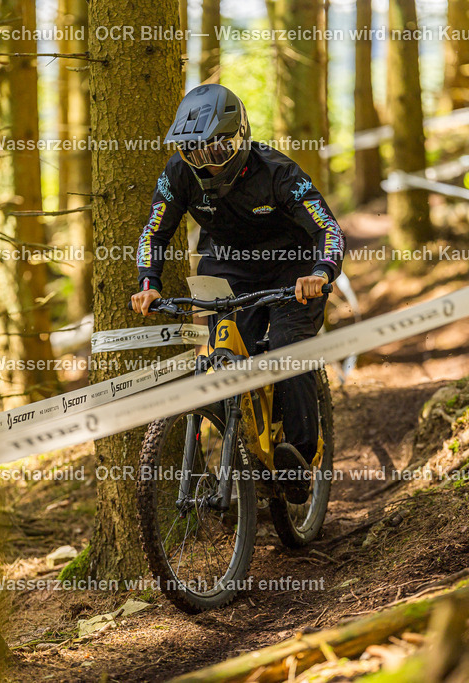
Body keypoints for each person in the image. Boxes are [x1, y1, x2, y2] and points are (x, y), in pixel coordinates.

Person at [130, 84, 346, 503]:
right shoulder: (178, 173)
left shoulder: (278, 172)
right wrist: (148, 283)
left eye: (214, 151)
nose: (205, 165)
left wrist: (320, 271)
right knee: (225, 359)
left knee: (286, 348)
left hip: (293, 271)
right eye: (194, 153)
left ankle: (299, 459)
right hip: (227, 270)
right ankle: (240, 449)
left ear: (239, 138)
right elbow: (154, 231)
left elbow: (328, 229)